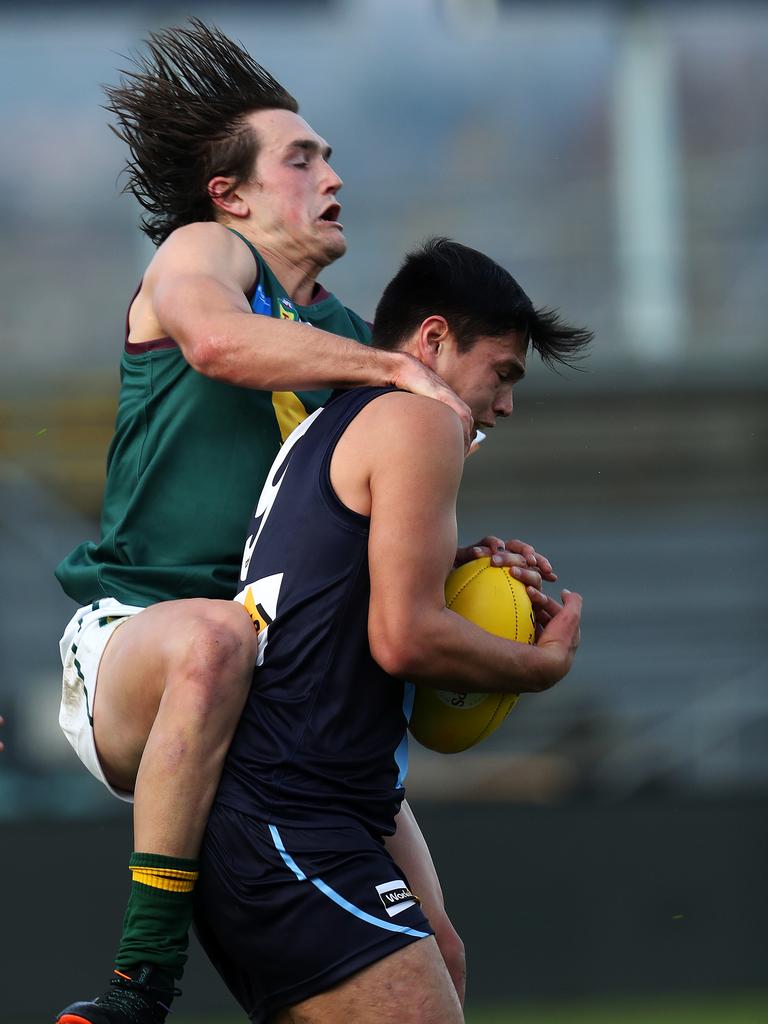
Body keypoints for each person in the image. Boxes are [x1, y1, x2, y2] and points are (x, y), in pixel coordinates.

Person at [52, 20, 556, 1024]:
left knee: (439, 947)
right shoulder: (203, 254)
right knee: (213, 636)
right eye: (302, 157)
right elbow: (210, 342)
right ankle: (139, 981)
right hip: (137, 639)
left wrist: (462, 560)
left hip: (274, 696)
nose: (331, 173)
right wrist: (392, 369)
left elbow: (340, 522)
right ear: (231, 194)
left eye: (328, 152)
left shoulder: (333, 331)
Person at [193, 237, 589, 1024]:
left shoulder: (332, 418)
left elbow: (347, 594)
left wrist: (458, 570)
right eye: (502, 373)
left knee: (441, 949)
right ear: (434, 340)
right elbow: (404, 640)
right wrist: (539, 664)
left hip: (286, 819)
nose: (506, 404)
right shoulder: (418, 419)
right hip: (290, 823)